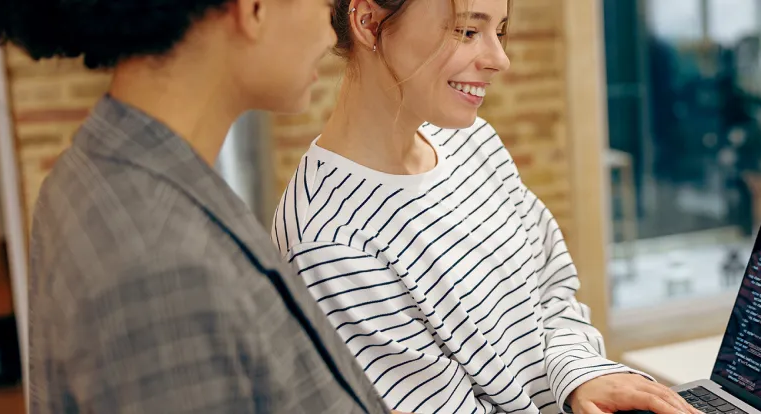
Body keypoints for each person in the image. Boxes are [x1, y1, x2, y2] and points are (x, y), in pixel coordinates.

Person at [271, 0, 701, 413]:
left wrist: (580, 375)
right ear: (368, 22)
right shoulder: (328, 240)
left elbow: (551, 290)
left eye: (500, 31)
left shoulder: (472, 141)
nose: (499, 59)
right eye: (466, 30)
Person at [0, 0, 392, 412]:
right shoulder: (159, 265)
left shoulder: (105, 171)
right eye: (322, 6)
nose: (328, 33)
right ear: (254, 8)